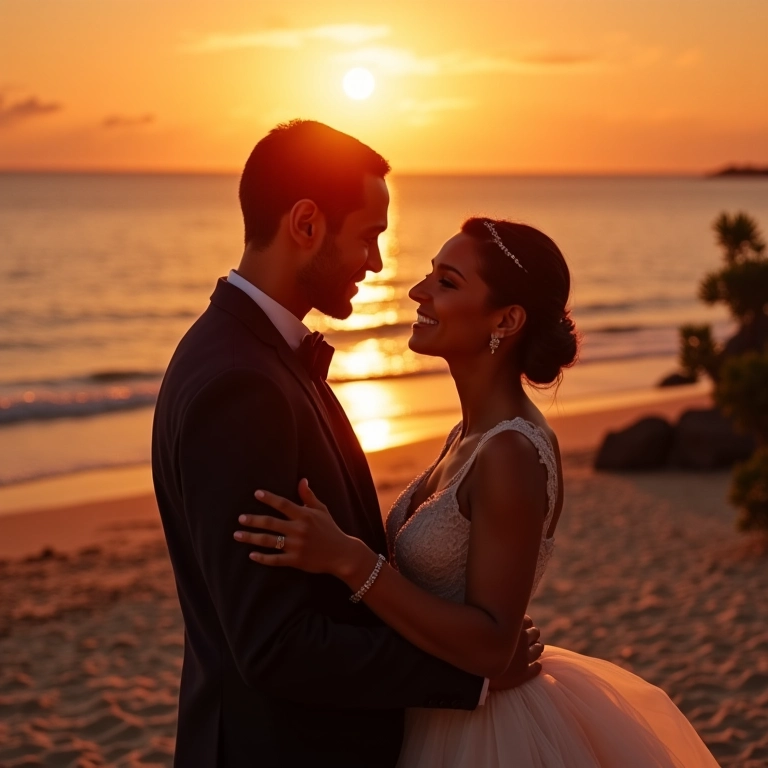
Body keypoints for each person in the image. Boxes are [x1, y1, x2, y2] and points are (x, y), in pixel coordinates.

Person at [234, 218, 720, 766]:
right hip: (427, 710)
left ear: (507, 319)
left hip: (483, 733)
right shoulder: (467, 437)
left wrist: (350, 562)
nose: (418, 292)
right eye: (428, 276)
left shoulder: (511, 454)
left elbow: (492, 644)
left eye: (446, 282)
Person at [151, 120, 544, 768]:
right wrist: (466, 677)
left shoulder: (252, 355)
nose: (379, 264)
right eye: (369, 236)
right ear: (306, 224)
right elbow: (275, 644)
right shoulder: (241, 387)